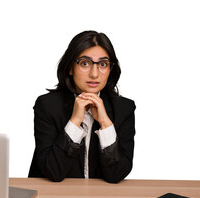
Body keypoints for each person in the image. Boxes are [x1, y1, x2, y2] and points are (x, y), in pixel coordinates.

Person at [28, 30, 136, 183]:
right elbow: (53, 172)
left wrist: (105, 123)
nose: (94, 74)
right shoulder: (47, 105)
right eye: (85, 63)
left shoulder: (124, 108)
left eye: (103, 64)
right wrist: (74, 122)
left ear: (110, 70)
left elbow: (116, 175)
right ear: (70, 68)